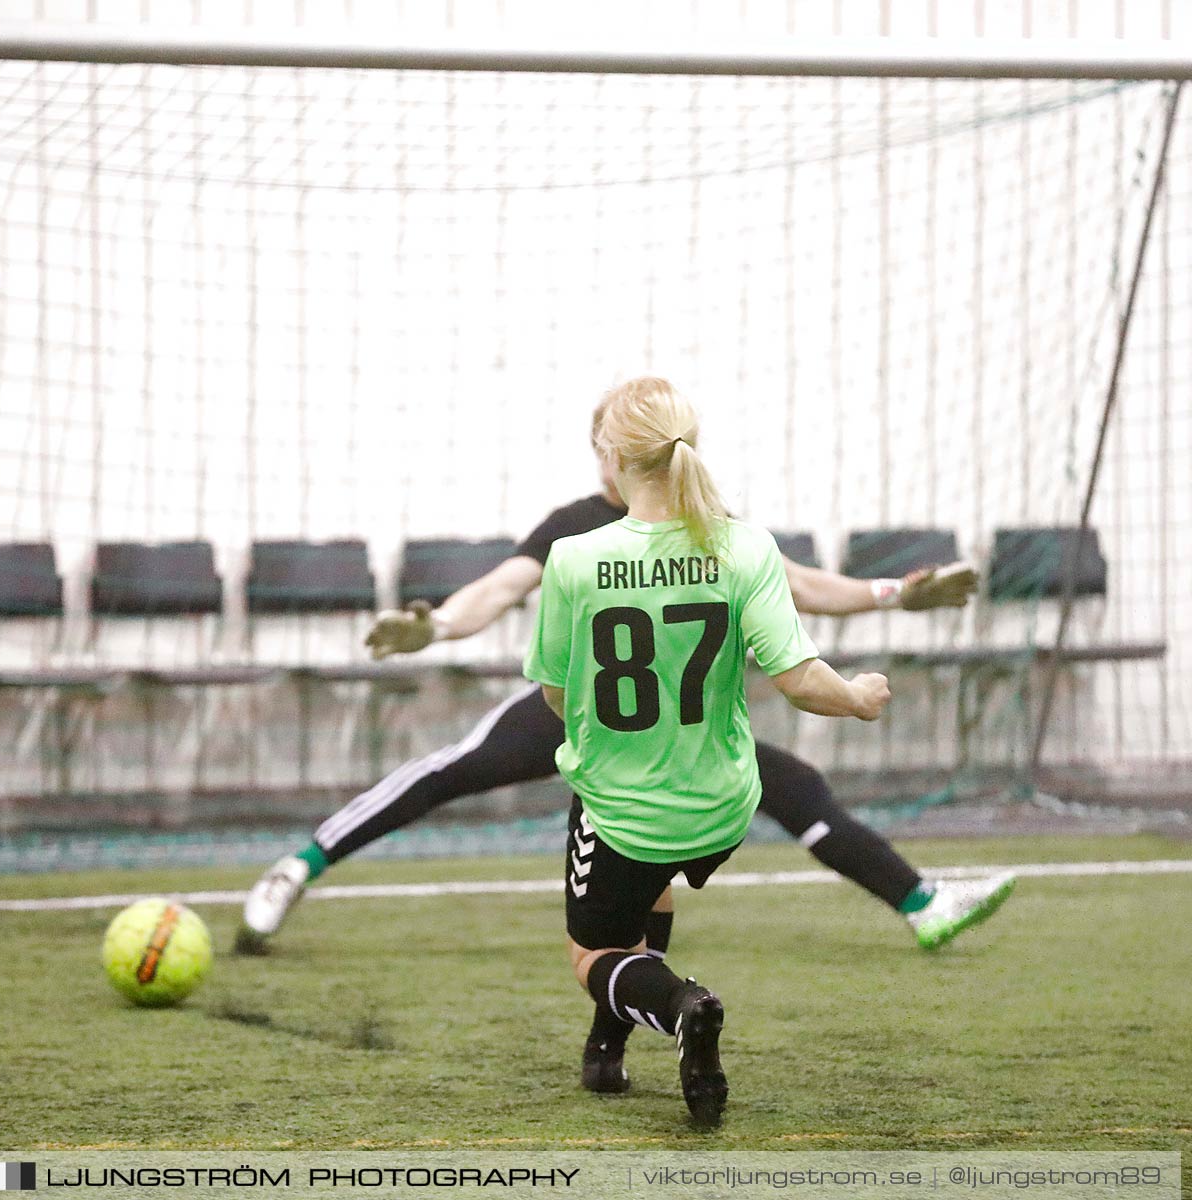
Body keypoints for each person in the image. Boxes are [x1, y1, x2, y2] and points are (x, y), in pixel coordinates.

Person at [239, 394, 1015, 1092]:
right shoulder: (583, 529)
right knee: (453, 772)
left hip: (666, 735)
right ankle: (298, 867)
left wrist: (896, 592)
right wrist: (437, 623)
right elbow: (502, 588)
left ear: (620, 449)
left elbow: (804, 583)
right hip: (598, 722)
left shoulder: (708, 526)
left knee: (793, 792)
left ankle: (917, 902)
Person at [526, 376, 895, 1126]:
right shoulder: (743, 545)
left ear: (611, 456)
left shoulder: (573, 558)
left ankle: (678, 1006)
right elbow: (797, 679)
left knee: (591, 956)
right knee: (650, 884)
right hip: (724, 807)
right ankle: (606, 1050)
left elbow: (557, 698)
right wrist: (857, 697)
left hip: (627, 808)